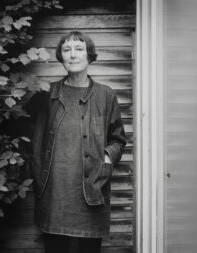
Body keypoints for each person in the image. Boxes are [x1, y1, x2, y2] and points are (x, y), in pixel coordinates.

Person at [26, 31, 127, 253]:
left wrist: (106, 162)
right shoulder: (46, 94)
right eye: (67, 49)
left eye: (79, 49)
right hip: (53, 194)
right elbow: (23, 131)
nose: (73, 55)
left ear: (89, 56)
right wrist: (32, 167)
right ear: (61, 57)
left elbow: (118, 139)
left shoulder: (105, 95)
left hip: (92, 191)